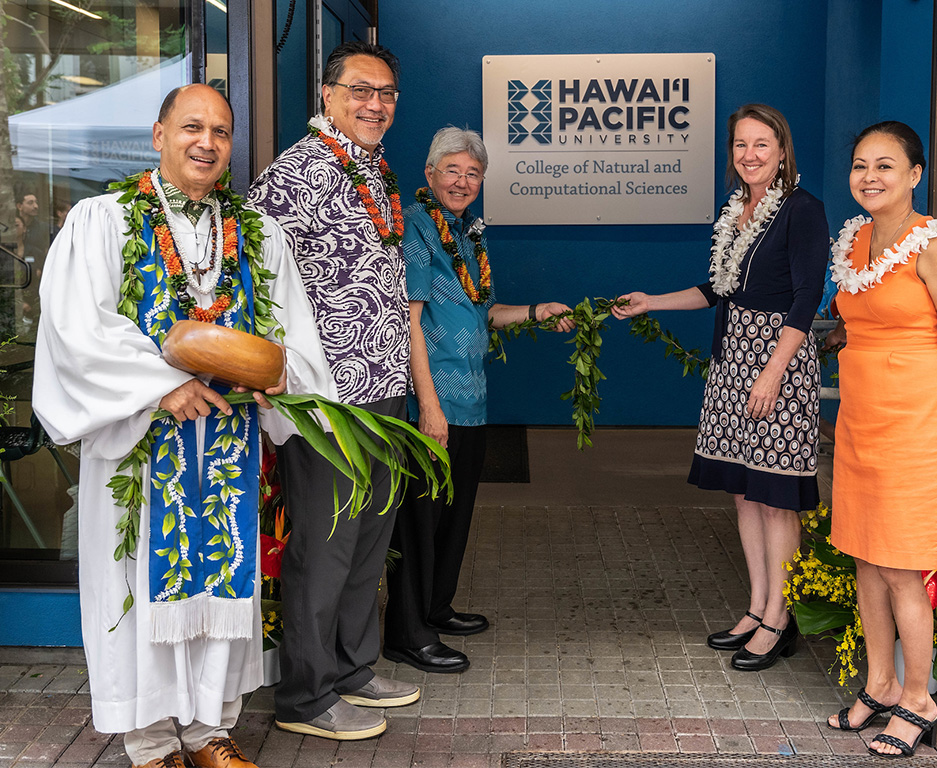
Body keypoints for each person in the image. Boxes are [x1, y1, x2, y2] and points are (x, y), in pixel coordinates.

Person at [32, 83, 331, 768]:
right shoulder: (102, 221)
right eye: (192, 127)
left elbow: (293, 335)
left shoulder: (255, 234)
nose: (207, 142)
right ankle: (149, 740)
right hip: (143, 448)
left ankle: (208, 731)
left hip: (225, 447)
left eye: (221, 132)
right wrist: (163, 387)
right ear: (159, 134)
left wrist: (281, 380)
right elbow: (78, 327)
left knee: (224, 585)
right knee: (138, 589)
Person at [612, 104, 829, 671]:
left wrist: (774, 371)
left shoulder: (803, 210)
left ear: (783, 150)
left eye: (762, 144)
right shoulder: (736, 211)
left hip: (776, 363)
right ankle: (758, 607)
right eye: (740, 144)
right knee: (744, 492)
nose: (750, 155)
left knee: (777, 498)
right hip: (732, 358)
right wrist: (651, 302)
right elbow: (717, 290)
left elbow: (807, 297)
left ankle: (782, 619)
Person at [248, 41, 418, 740]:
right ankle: (306, 697)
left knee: (368, 539)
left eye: (386, 93)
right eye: (360, 90)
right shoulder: (298, 172)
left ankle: (352, 666)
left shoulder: (374, 172)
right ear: (327, 95)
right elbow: (251, 269)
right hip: (328, 402)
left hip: (384, 390)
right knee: (325, 544)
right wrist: (271, 376)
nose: (374, 104)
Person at [382, 127, 574, 673]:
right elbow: (411, 321)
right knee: (419, 520)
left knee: (454, 514)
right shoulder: (418, 228)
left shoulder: (470, 234)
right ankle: (406, 631)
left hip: (473, 400)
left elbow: (485, 312)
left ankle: (436, 608)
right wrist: (429, 406)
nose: (463, 182)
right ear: (430, 174)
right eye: (453, 171)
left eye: (472, 174)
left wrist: (540, 312)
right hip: (434, 399)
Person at [825, 122, 937, 758]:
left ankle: (919, 701)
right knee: (866, 560)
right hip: (861, 419)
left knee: (900, 567)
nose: (870, 177)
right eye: (861, 164)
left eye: (886, 166)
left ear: (915, 176)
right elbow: (858, 322)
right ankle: (882, 683)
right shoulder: (858, 239)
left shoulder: (934, 247)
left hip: (915, 421)